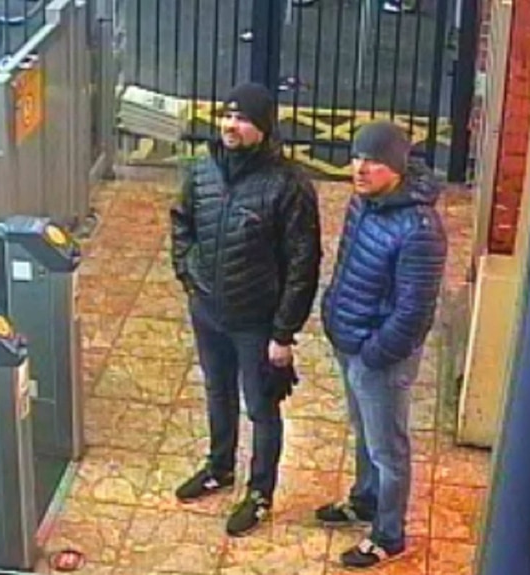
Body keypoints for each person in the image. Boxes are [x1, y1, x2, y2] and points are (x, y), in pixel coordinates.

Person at [171, 82, 322, 537]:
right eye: (227, 116)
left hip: (257, 322)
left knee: (261, 407)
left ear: (263, 128)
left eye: (242, 120)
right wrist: (188, 276)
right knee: (218, 392)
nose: (230, 126)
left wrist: (284, 333)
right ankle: (220, 467)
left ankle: (260, 493)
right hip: (209, 311)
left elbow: (303, 263)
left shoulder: (288, 185)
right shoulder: (203, 171)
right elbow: (183, 223)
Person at [316, 120, 448, 570]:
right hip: (349, 337)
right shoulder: (363, 203)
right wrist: (331, 308)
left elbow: (414, 312)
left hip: (380, 356)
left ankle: (389, 536)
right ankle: (365, 499)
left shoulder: (420, 228)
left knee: (388, 450)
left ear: (396, 167)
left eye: (373, 161)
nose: (360, 167)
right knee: (365, 432)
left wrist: (374, 354)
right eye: (356, 157)